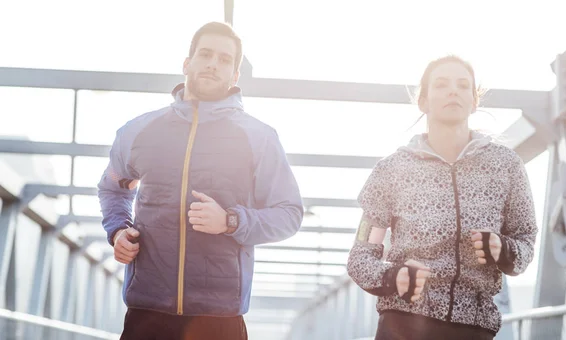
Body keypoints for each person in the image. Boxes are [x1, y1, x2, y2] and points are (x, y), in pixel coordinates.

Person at [97, 21, 304, 340]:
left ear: (235, 76)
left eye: (224, 59)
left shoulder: (258, 138)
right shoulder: (138, 131)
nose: (212, 64)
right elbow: (114, 188)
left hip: (219, 319)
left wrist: (231, 220)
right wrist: (118, 230)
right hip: (146, 314)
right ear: (187, 63)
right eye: (205, 54)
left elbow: (288, 214)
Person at [346, 55, 537, 340]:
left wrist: (504, 249)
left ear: (474, 101)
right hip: (402, 324)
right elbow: (361, 256)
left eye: (462, 85)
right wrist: (392, 276)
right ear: (422, 101)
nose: (453, 91)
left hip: (475, 328)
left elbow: (525, 240)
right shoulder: (391, 170)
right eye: (441, 85)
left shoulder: (506, 165)